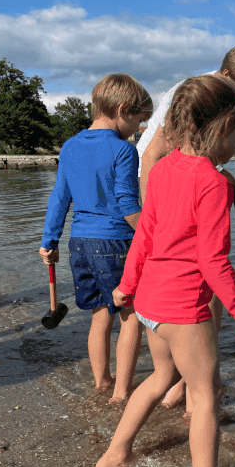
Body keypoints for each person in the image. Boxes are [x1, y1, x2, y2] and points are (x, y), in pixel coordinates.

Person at [95, 74, 235, 467]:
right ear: (222, 127)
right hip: (184, 309)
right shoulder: (211, 181)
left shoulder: (162, 168)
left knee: (160, 377)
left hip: (151, 303)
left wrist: (126, 287)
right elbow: (213, 261)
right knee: (205, 396)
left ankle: (115, 454)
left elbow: (145, 237)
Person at [137, 45, 235, 412]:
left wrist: (129, 284)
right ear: (227, 77)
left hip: (178, 189)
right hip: (170, 196)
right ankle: (200, 388)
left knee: (200, 301)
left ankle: (193, 378)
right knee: (196, 299)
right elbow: (152, 154)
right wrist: (159, 215)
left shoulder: (216, 112)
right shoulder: (197, 95)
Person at [38, 74, 153, 403]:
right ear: (121, 110)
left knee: (100, 315)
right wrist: (156, 236)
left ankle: (102, 382)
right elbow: (129, 206)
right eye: (138, 120)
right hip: (114, 243)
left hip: (80, 244)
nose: (138, 128)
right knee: (131, 317)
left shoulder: (71, 145)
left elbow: (60, 198)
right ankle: (121, 393)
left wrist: (50, 240)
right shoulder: (123, 150)